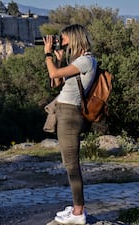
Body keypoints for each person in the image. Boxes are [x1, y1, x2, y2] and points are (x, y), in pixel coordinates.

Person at [43, 24, 96, 225]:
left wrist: (47, 55)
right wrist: (57, 59)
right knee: (69, 163)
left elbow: (55, 74)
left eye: (63, 39)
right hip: (64, 112)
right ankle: (76, 208)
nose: (60, 41)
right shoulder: (76, 61)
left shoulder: (86, 61)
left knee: (72, 165)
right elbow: (55, 81)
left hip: (70, 115)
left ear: (74, 39)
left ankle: (78, 212)